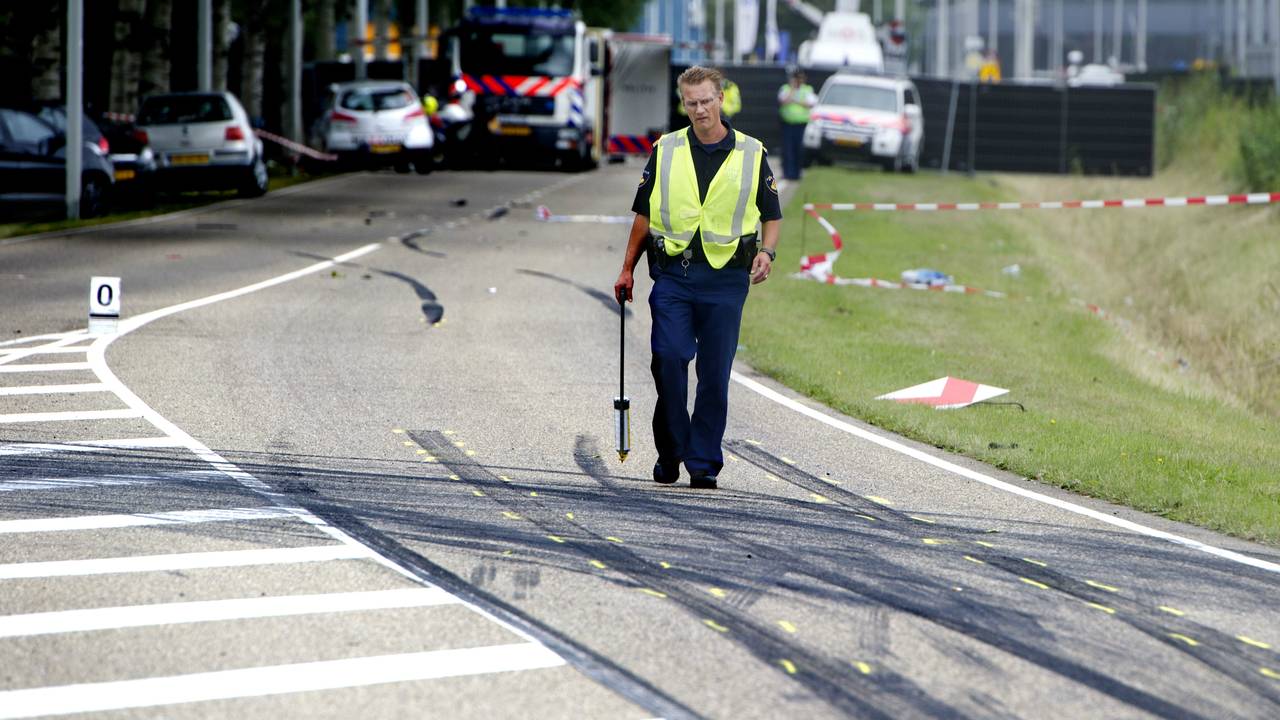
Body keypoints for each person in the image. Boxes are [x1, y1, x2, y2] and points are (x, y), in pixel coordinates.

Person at [613, 66, 782, 490]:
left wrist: (768, 252)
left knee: (714, 373)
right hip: (675, 274)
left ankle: (703, 462)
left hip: (726, 281)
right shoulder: (665, 149)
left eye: (706, 100)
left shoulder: (751, 152)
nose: (700, 109)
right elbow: (644, 214)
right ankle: (671, 450)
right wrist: (627, 268)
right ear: (682, 104)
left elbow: (772, 215)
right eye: (692, 103)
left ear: (720, 98)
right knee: (669, 358)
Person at [777, 67, 816, 182]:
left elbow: (811, 103)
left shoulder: (807, 89)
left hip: (801, 125)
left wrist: (796, 101)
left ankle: (797, 173)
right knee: (787, 149)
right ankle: (787, 172)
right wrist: (792, 90)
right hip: (787, 124)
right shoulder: (785, 88)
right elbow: (783, 101)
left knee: (799, 149)